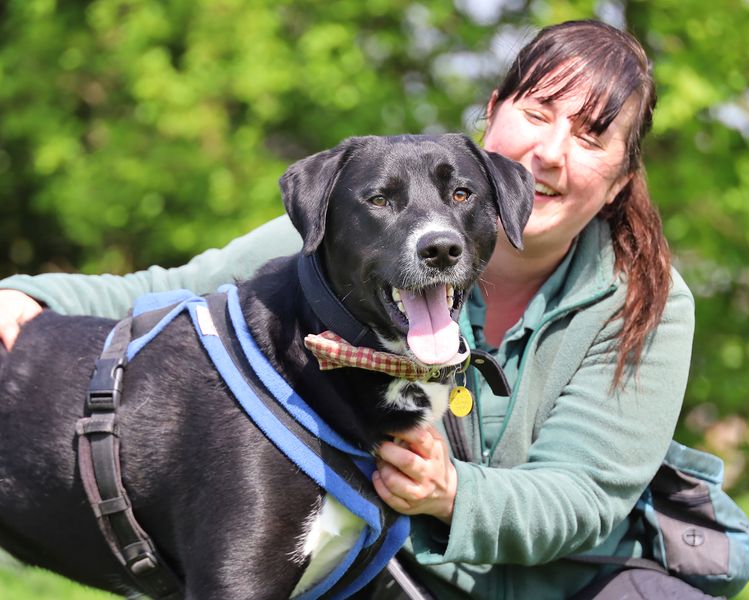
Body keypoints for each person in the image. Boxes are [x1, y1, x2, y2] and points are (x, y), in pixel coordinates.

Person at [0, 20, 712, 599]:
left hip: (568, 581)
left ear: (620, 180)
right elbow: (173, 289)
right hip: (399, 571)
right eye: (538, 112)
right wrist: (27, 296)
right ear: (495, 112)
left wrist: (451, 494)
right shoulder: (349, 229)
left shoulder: (645, 298)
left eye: (591, 136)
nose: (552, 152)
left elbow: (582, 495)